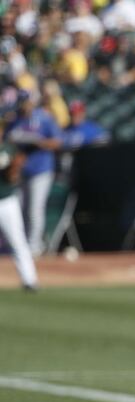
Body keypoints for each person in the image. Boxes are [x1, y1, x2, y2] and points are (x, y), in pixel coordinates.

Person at [6, 89, 61, 257]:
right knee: (19, 210)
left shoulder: (44, 118)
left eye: (27, 102)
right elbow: (7, 140)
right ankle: (20, 246)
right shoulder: (15, 120)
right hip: (20, 172)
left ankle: (34, 246)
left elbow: (57, 142)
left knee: (35, 209)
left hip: (41, 169)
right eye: (22, 102)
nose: (25, 106)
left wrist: (40, 142)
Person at [0, 137, 39, 291]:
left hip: (7, 201)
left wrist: (14, 167)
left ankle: (29, 280)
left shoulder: (9, 149)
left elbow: (13, 176)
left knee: (18, 241)